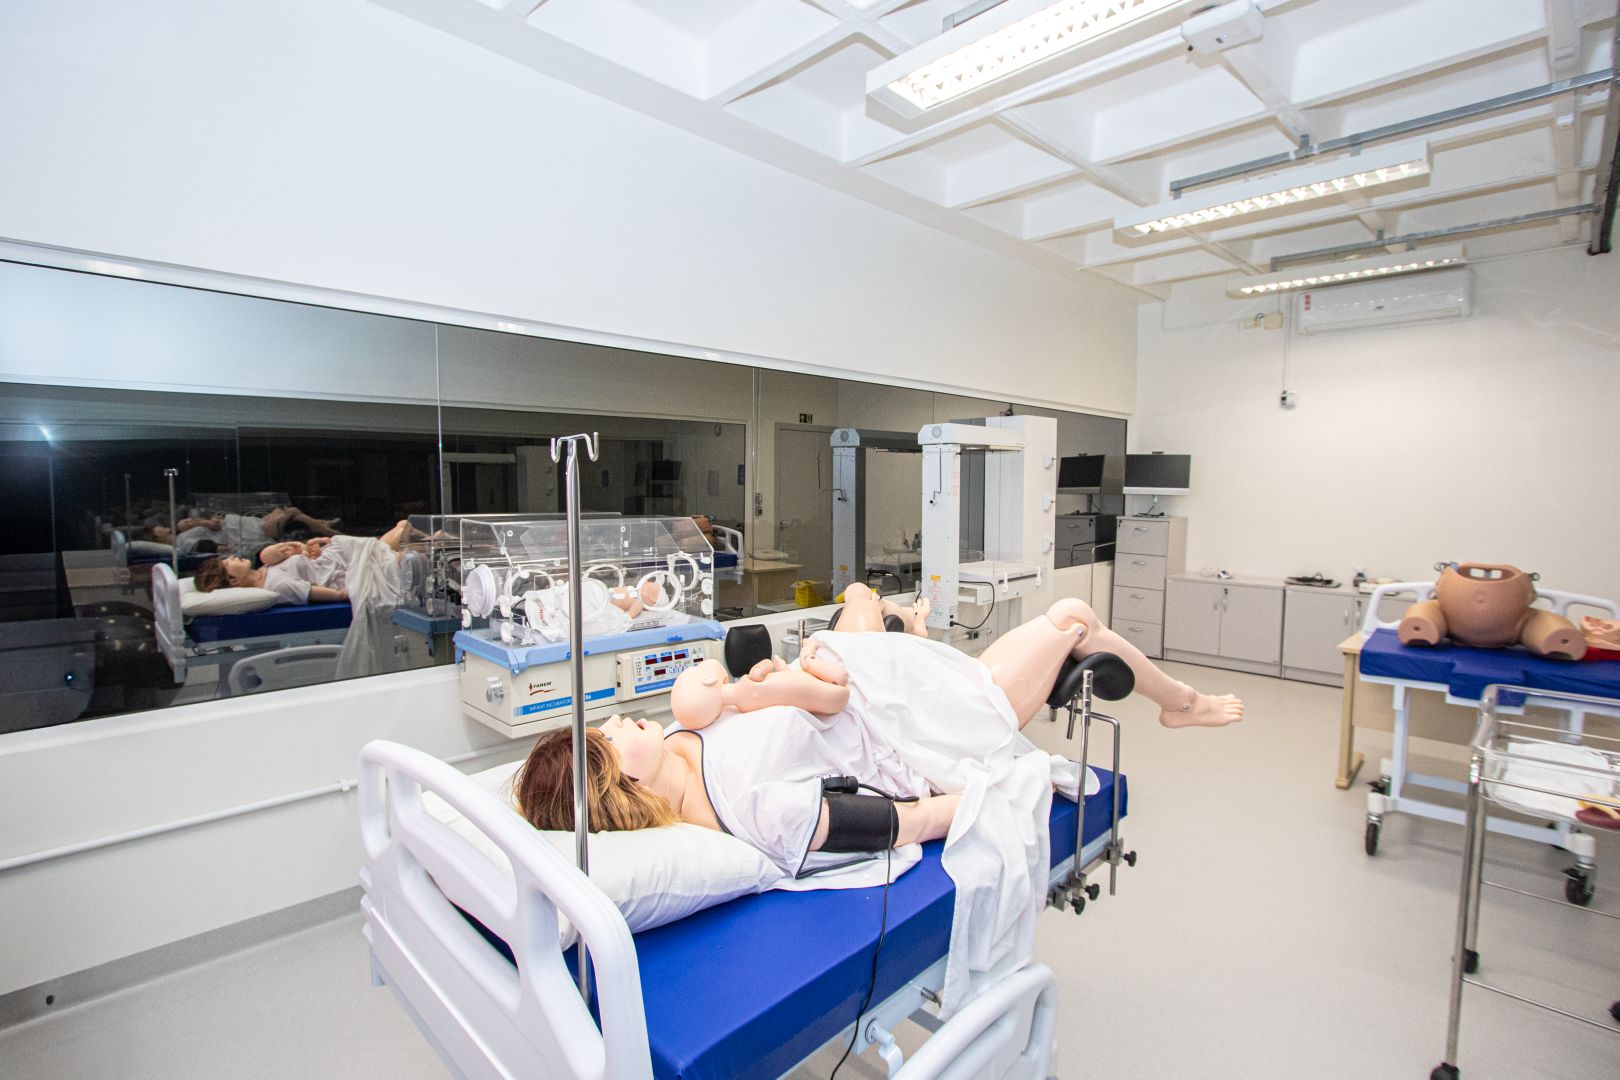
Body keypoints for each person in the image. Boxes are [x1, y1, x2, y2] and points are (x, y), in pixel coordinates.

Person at [517, 584, 1243, 877]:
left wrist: (762, 684)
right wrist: (991, 789)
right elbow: (905, 822)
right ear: (619, 779)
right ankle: (1181, 703)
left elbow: (796, 707)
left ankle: (901, 625)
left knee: (863, 608)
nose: (615, 720)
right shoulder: (755, 808)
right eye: (606, 738)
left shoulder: (681, 738)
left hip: (880, 689)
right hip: (922, 730)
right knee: (1073, 618)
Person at [191, 520, 414, 606]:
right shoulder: (275, 585)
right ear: (233, 580)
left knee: (404, 527)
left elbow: (305, 564)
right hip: (356, 570)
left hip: (341, 558)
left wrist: (308, 549)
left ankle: (437, 542)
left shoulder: (265, 569)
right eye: (228, 562)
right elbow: (312, 591)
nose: (232, 557)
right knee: (405, 532)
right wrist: (343, 595)